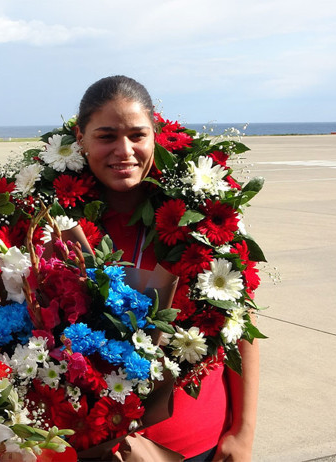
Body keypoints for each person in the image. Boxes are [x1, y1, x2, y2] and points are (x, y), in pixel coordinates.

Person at [73, 75, 260, 461]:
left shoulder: (203, 221)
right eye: (106, 136)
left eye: (137, 135)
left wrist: (244, 432)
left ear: (155, 136)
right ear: (80, 138)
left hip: (198, 443)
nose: (123, 150)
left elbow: (241, 332)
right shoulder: (56, 225)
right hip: (95, 445)